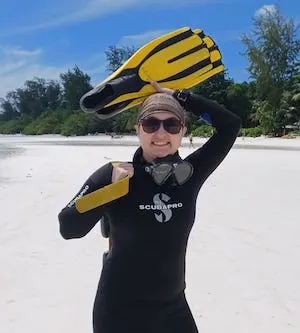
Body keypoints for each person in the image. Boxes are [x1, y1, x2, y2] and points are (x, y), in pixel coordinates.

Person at [58, 81, 241, 333]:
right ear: (138, 130)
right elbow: (68, 227)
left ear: (183, 131)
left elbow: (230, 125)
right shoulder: (114, 173)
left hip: (173, 308)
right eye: (151, 124)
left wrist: (180, 96)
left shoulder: (190, 175)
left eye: (172, 124)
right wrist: (110, 191)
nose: (161, 133)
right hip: (118, 311)